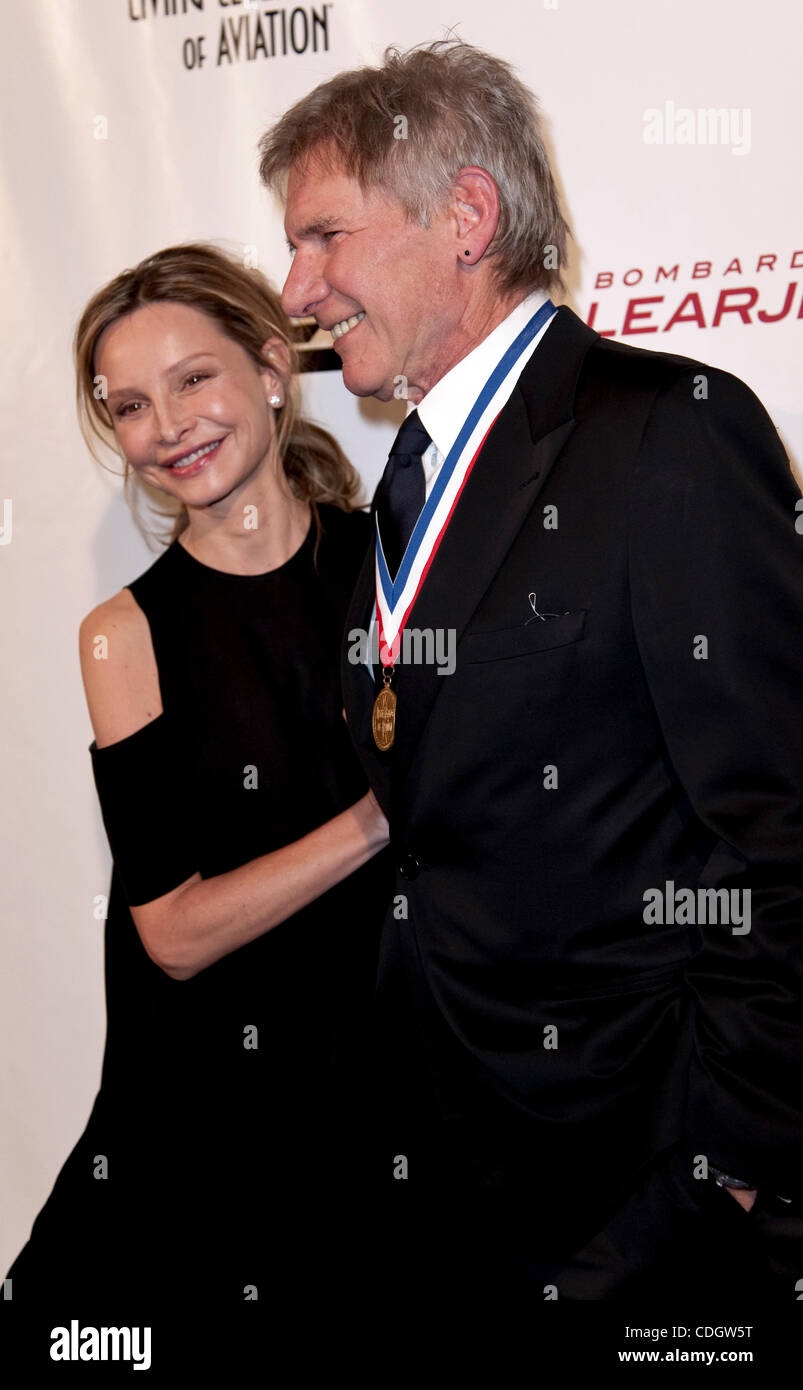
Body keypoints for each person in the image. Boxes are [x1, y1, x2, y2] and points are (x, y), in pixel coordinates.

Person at [258, 39, 803, 1303]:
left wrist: (716, 1178)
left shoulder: (670, 429)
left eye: (324, 237)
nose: (295, 288)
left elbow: (777, 832)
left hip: (638, 1205)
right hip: (452, 1185)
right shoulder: (405, 480)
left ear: (465, 217)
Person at [5, 243, 391, 1344]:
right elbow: (172, 930)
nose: (165, 425)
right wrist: (377, 817)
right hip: (199, 1133)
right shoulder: (123, 635)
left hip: (378, 1118)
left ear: (272, 367)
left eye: (192, 379)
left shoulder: (400, 568)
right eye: (129, 404)